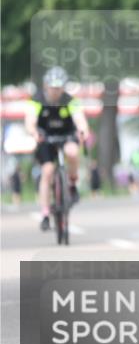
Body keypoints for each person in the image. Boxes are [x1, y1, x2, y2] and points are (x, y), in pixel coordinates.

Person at [23, 66, 90, 231]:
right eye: (52, 87)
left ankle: (72, 184)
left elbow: (80, 120)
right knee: (47, 171)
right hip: (45, 137)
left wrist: (83, 131)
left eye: (59, 87)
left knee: (73, 152)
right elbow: (30, 121)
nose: (55, 91)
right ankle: (45, 213)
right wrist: (34, 132)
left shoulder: (70, 101)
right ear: (46, 86)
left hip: (67, 135)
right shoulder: (36, 100)